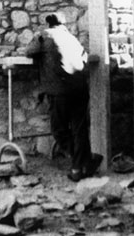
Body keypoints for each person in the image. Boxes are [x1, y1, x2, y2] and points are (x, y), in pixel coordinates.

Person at [25, 12, 102, 181]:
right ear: (64, 23)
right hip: (80, 88)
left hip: (59, 91)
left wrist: (36, 36)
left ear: (48, 24)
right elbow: (85, 58)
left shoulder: (44, 37)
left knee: (59, 130)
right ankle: (82, 165)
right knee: (79, 129)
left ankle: (81, 162)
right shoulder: (71, 38)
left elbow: (28, 52)